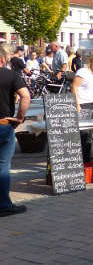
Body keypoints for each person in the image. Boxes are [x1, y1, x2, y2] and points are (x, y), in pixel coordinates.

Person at [0, 44, 30, 217]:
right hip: (3, 125)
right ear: (3, 59)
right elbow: (26, 96)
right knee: (3, 166)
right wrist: (20, 118)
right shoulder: (10, 75)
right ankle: (3, 205)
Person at [72, 55, 93, 162]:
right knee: (83, 134)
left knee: (89, 135)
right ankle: (81, 160)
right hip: (83, 104)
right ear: (90, 62)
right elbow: (74, 87)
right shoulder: (83, 71)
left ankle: (86, 160)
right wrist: (77, 104)